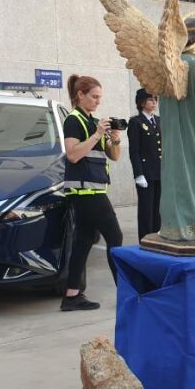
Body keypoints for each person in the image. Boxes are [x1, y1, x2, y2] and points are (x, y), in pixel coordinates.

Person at [60, 74, 125, 311]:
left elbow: (114, 157)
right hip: (85, 192)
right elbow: (73, 154)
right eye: (94, 97)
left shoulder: (92, 121)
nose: (98, 102)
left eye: (100, 97)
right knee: (115, 237)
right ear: (80, 95)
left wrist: (114, 139)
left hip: (92, 190)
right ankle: (125, 292)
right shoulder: (73, 120)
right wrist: (97, 134)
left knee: (84, 240)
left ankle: (72, 295)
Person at [127, 89, 162, 240]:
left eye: (155, 99)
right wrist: (138, 174)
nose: (154, 102)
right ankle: (146, 240)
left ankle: (158, 238)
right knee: (146, 211)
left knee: (159, 210)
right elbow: (134, 151)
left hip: (160, 172)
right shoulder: (136, 122)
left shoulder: (159, 120)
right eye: (150, 99)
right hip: (146, 173)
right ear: (142, 102)